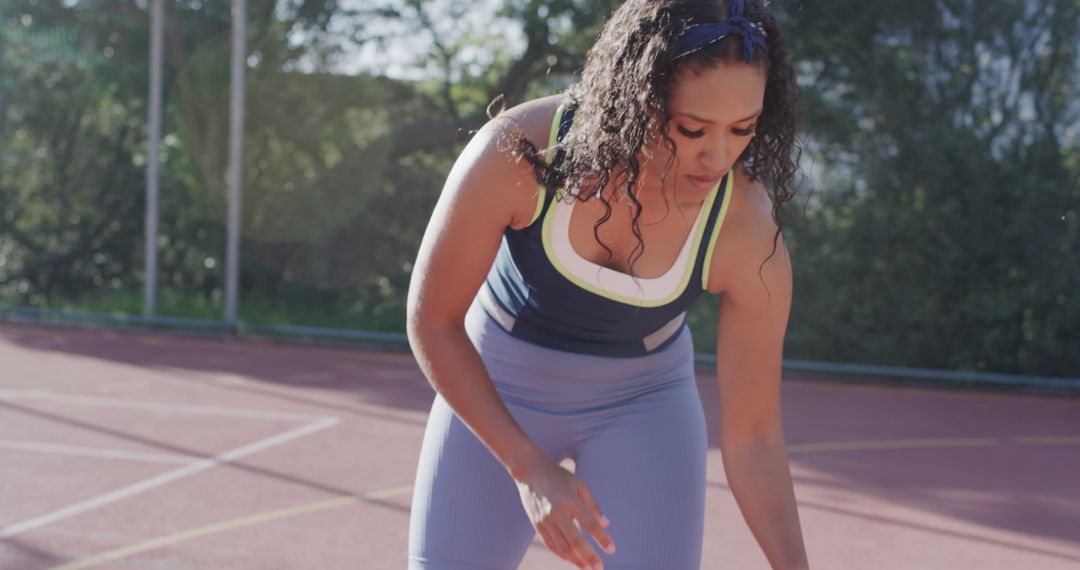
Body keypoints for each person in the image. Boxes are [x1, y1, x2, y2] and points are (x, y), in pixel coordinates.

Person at [405, 0, 808, 568]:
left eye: (742, 129)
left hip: (644, 400)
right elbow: (433, 322)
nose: (718, 156)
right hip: (500, 379)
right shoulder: (521, 150)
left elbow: (755, 439)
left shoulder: (746, 231)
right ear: (637, 102)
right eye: (692, 128)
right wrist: (529, 468)